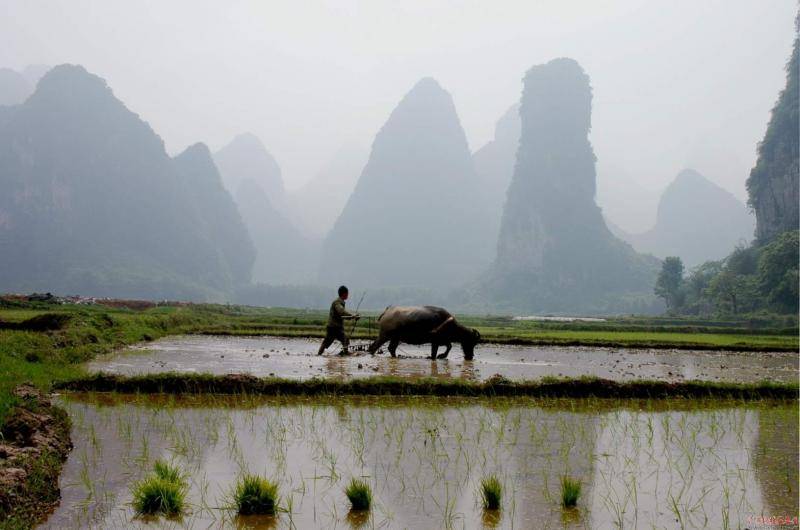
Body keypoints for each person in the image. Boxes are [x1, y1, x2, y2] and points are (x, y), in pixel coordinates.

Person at [317, 285, 360, 355]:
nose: (348, 295)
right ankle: (318, 355)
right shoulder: (337, 303)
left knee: (345, 339)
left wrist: (353, 316)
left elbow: (343, 314)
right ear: (344, 294)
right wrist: (352, 316)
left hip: (337, 327)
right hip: (333, 327)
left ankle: (345, 353)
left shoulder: (341, 302)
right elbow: (341, 312)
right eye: (347, 293)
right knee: (327, 342)